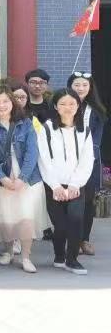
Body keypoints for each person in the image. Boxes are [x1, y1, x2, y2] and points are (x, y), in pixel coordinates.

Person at [0, 87, 48, 273]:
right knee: (6, 219)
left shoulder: (26, 124)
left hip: (28, 180)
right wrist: (2, 178)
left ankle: (25, 257)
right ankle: (9, 251)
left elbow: (32, 152)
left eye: (5, 101)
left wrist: (22, 178)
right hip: (2, 179)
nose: (2, 105)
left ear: (13, 103)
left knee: (26, 218)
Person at [37, 88, 94, 275]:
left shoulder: (84, 130)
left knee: (76, 220)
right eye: (62, 104)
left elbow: (87, 160)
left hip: (76, 185)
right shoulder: (47, 129)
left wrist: (75, 184)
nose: (67, 107)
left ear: (78, 106)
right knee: (60, 225)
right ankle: (59, 255)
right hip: (53, 186)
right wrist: (55, 186)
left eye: (72, 104)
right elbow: (43, 159)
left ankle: (72, 260)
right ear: (55, 106)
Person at [68, 72, 106, 256]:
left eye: (84, 85)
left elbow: (97, 139)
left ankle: (84, 239)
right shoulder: (63, 106)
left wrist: (87, 157)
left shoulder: (96, 111)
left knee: (88, 202)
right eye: (77, 85)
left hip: (90, 161)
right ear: (70, 86)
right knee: (71, 202)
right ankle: (72, 240)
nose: (80, 88)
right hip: (67, 162)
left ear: (90, 88)